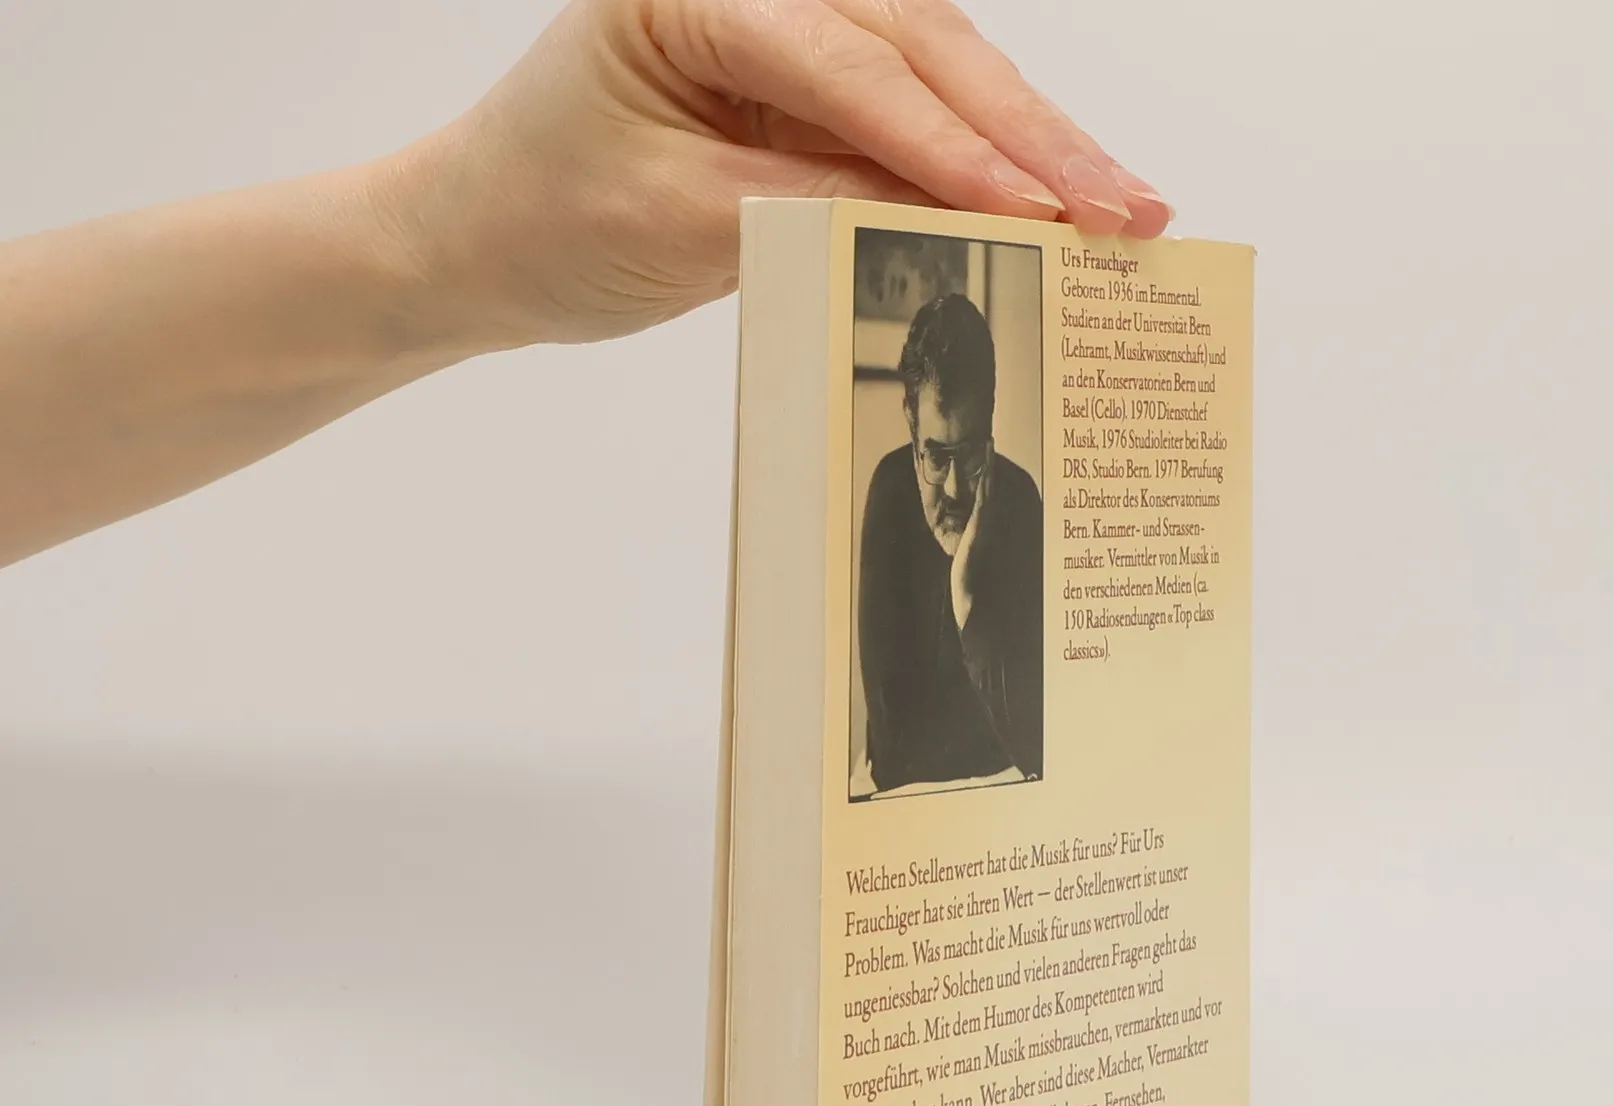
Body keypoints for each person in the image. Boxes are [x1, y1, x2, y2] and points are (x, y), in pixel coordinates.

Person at [0, 0, 1170, 572]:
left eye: (962, 458)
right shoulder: (889, 517)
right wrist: (440, 242)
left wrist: (445, 245)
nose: (946, 486)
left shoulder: (1015, 512)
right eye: (930, 456)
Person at [859, 291, 1042, 793]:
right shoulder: (891, 489)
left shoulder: (1021, 499)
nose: (958, 489)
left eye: (973, 453)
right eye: (937, 457)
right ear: (910, 423)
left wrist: (965, 595)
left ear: (991, 420)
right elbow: (895, 747)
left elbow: (1034, 740)